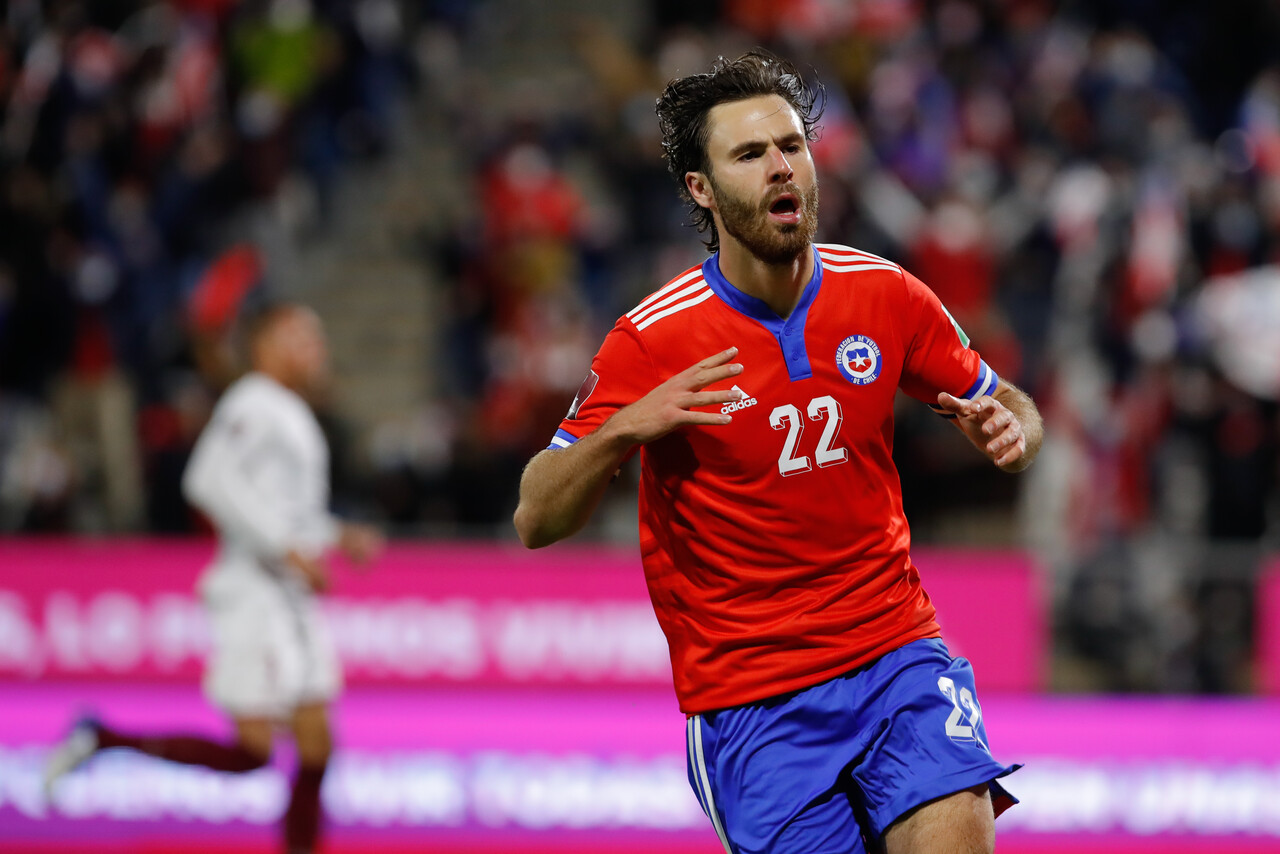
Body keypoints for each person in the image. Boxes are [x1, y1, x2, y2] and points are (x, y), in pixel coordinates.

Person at [514, 50, 1043, 854]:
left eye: (792, 146)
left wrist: (1012, 432)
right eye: (751, 153)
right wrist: (625, 430)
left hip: (895, 653)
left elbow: (1011, 404)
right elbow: (536, 517)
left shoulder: (886, 293)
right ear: (702, 189)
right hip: (753, 700)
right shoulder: (652, 339)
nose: (780, 167)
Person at [44, 303, 383, 854]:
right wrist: (286, 549)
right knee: (255, 753)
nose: (317, 349)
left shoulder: (288, 410)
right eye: (303, 337)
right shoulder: (252, 402)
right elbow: (207, 480)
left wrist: (338, 535)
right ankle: (103, 738)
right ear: (266, 346)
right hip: (257, 598)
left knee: (316, 745)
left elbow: (286, 510)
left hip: (288, 596)